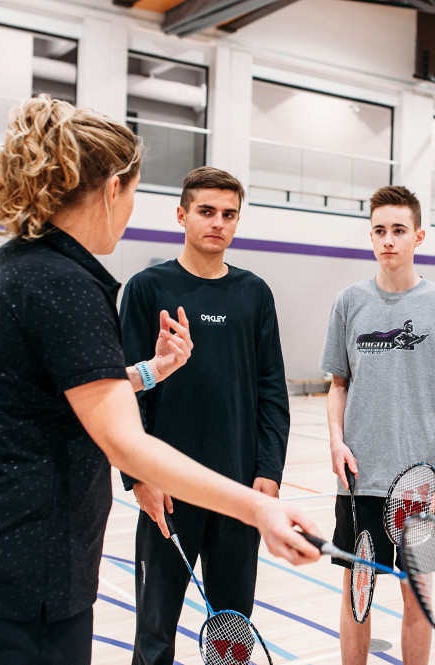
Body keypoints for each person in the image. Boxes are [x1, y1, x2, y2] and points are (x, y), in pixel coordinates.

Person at [0, 95, 319, 665]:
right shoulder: (65, 286)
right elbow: (125, 442)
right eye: (133, 193)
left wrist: (151, 370)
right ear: (111, 190)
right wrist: (257, 509)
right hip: (20, 583)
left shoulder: (3, 270)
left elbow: (61, 394)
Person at [120, 167, 289, 665]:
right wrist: (138, 477)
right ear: (182, 215)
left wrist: (268, 470)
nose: (218, 222)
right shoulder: (147, 288)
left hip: (239, 490)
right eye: (207, 211)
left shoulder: (255, 293)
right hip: (167, 491)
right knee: (155, 633)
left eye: (229, 214)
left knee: (232, 635)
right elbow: (124, 392)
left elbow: (271, 389)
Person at [321, 185, 435, 665]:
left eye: (399, 230)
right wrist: (335, 441)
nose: (388, 239)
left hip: (420, 486)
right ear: (370, 236)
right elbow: (337, 385)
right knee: (358, 596)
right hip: (359, 479)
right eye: (380, 231)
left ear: (418, 236)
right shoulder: (349, 302)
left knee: (418, 596)